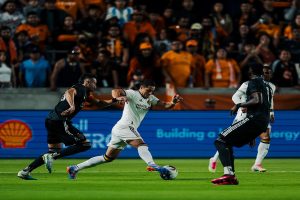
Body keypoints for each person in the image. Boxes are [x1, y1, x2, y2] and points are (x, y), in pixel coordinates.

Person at [66, 79, 183, 179]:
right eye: (148, 90)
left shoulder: (151, 98)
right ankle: (152, 164)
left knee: (107, 158)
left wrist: (173, 102)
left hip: (120, 129)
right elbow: (115, 91)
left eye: (152, 91)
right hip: (126, 126)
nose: (150, 93)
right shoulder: (132, 94)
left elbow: (165, 105)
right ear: (141, 87)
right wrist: (119, 97)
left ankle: (74, 168)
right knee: (141, 145)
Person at [17, 73, 127, 180]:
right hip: (60, 121)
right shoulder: (81, 87)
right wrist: (72, 106)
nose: (95, 86)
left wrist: (115, 100)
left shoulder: (86, 94)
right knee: (85, 144)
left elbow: (99, 103)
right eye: (94, 83)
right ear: (87, 82)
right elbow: (70, 92)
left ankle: (25, 171)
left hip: (51, 120)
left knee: (53, 151)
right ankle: (51, 157)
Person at [211, 63, 272, 185]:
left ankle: (229, 174)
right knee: (228, 142)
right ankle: (230, 177)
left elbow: (256, 100)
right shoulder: (268, 86)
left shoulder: (253, 82)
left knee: (220, 140)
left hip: (254, 119)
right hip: (262, 122)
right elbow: (264, 103)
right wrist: (252, 133)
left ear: (250, 71)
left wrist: (239, 105)